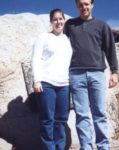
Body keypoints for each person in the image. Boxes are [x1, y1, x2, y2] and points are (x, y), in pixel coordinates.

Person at [64, 0, 118, 149]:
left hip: (97, 73)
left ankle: (103, 147)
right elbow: (61, 45)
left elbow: (110, 49)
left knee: (99, 113)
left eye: (86, 4)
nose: (84, 7)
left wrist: (114, 72)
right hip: (76, 74)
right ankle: (86, 147)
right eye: (80, 4)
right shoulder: (70, 25)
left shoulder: (102, 25)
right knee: (82, 115)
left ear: (92, 5)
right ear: (77, 6)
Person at [31, 8, 72, 150]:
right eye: (55, 19)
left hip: (64, 85)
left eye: (60, 19)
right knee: (47, 120)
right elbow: (35, 59)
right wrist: (37, 80)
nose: (58, 22)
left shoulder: (67, 40)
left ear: (64, 21)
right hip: (46, 84)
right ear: (51, 22)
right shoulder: (43, 37)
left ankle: (60, 147)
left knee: (61, 120)